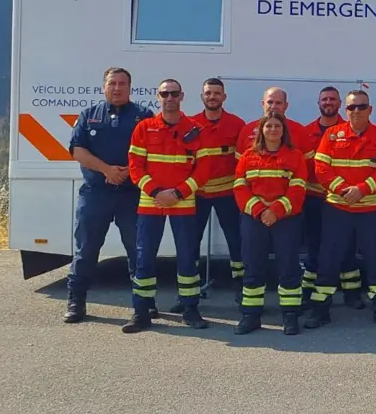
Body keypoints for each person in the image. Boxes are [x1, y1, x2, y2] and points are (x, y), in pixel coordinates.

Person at [63, 67, 154, 323]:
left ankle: (145, 303)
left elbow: (153, 151)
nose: (117, 88)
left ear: (130, 87)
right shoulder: (89, 115)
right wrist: (107, 170)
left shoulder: (144, 116)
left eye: (122, 83)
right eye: (112, 83)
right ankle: (76, 302)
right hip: (96, 194)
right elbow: (77, 150)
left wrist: (127, 172)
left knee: (138, 251)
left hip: (131, 194)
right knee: (86, 250)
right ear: (104, 87)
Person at [122, 79, 209, 334]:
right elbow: (135, 167)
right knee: (144, 258)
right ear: (158, 97)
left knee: (187, 259)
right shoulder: (144, 128)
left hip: (184, 203)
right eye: (165, 93)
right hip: (151, 203)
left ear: (181, 96)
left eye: (174, 93)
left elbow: (204, 169)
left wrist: (179, 192)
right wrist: (157, 192)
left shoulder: (195, 129)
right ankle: (141, 312)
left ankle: (190, 310)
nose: (169, 97)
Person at [309, 89, 376, 329]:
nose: (356, 111)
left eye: (361, 106)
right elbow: (321, 168)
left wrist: (362, 189)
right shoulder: (331, 134)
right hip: (338, 209)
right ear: (345, 110)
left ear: (370, 109)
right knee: (328, 259)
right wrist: (343, 190)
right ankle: (320, 310)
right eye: (351, 107)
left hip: (371, 210)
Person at [231, 111, 309, 336]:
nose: (273, 129)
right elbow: (239, 187)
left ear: (284, 131)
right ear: (261, 130)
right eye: (269, 126)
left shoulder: (295, 156)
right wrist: (260, 210)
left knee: (288, 266)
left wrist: (275, 211)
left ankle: (290, 315)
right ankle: (251, 315)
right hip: (254, 218)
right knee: (253, 266)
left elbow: (298, 189)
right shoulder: (248, 155)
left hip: (286, 219)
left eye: (277, 126)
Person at [302, 86, 364, 308]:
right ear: (318, 103)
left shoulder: (350, 130)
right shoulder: (306, 132)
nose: (328, 102)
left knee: (347, 246)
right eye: (324, 99)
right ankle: (310, 292)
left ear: (340, 104)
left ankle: (352, 293)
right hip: (314, 197)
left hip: (342, 199)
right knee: (314, 245)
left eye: (332, 99)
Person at [189, 78, 246, 305]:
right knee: (190, 241)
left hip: (227, 193)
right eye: (208, 93)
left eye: (216, 93)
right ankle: (189, 290)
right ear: (202, 96)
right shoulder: (190, 124)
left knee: (236, 241)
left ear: (224, 97)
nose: (212, 97)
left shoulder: (237, 124)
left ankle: (242, 288)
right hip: (198, 193)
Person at [237, 87, 309, 155]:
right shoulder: (247, 130)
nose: (273, 106)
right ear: (263, 104)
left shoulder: (300, 131)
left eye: (278, 103)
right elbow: (239, 161)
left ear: (286, 106)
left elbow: (307, 162)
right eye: (270, 102)